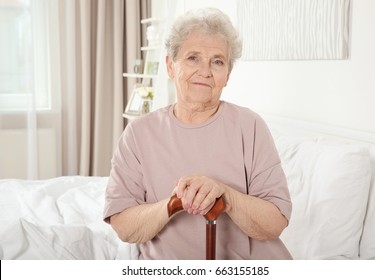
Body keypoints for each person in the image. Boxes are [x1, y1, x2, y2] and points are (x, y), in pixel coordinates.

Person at [103, 7, 292, 260]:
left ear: (227, 75)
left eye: (217, 61)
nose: (205, 71)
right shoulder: (138, 134)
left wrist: (224, 195)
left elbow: (275, 222)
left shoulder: (250, 126)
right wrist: (173, 204)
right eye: (193, 58)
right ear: (171, 66)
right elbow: (124, 227)